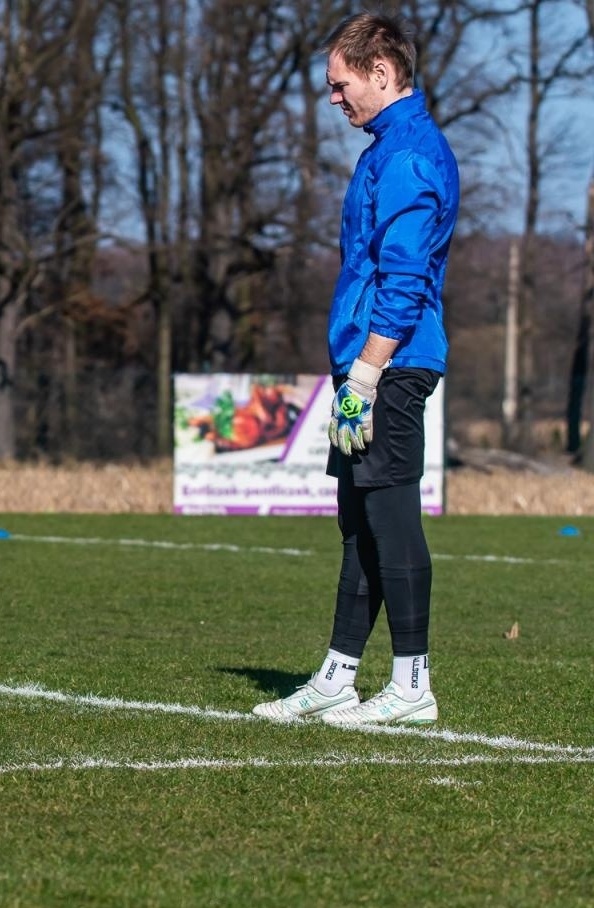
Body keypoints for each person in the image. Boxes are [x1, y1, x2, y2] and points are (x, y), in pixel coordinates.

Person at [253, 13, 457, 727]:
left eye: (341, 85)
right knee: (359, 524)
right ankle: (339, 673)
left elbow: (403, 279)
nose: (334, 99)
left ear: (381, 72)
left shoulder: (408, 156)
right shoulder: (384, 150)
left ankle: (411, 685)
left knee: (391, 516)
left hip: (392, 364)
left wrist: (368, 376)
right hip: (366, 364)